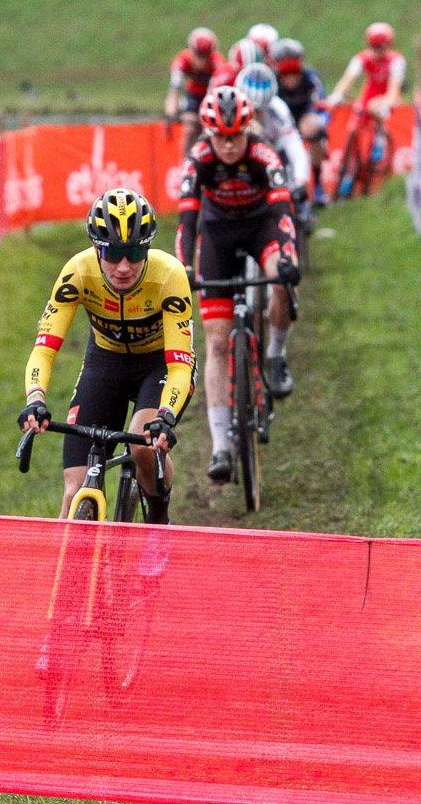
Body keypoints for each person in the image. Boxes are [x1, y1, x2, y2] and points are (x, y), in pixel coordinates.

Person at [20, 187, 194, 525]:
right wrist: (35, 399)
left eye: (133, 252)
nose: (124, 266)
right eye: (113, 254)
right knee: (72, 494)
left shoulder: (170, 276)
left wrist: (166, 416)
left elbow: (179, 366)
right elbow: (44, 349)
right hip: (105, 364)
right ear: (96, 250)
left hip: (158, 365)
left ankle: (159, 521)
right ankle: (67, 576)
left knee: (143, 444)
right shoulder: (78, 272)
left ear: (147, 248)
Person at [175, 86, 300, 484]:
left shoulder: (264, 154)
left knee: (281, 277)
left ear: (248, 130)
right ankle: (220, 445)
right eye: (220, 138)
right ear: (209, 135)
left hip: (261, 225)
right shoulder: (199, 159)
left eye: (236, 137)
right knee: (215, 342)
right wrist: (183, 268)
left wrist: (286, 257)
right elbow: (186, 222)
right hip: (218, 234)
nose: (229, 146)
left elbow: (282, 212)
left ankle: (276, 354)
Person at [234, 62, 310, 199]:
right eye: (251, 109)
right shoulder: (232, 110)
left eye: (259, 110)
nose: (255, 115)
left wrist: (300, 180)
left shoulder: (278, 109)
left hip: (274, 157)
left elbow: (293, 145)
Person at [271, 37, 330, 206]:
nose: (290, 79)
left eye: (293, 72)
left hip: (304, 117)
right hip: (280, 122)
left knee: (314, 130)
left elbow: (322, 104)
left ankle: (318, 186)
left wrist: (322, 125)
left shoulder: (311, 77)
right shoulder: (272, 81)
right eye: (286, 73)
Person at [165, 27, 227, 158]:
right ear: (191, 51)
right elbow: (174, 90)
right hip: (193, 95)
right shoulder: (182, 61)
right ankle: (185, 162)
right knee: (189, 129)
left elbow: (221, 91)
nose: (202, 62)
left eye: (206, 56)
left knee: (212, 130)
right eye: (198, 55)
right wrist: (170, 114)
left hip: (212, 96)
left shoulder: (217, 63)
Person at [325, 22, 406, 118]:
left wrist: (385, 103)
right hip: (369, 96)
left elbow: (393, 90)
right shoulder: (362, 58)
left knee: (384, 115)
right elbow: (348, 78)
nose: (378, 51)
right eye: (375, 46)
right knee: (354, 118)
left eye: (381, 47)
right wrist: (338, 94)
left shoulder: (396, 60)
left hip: (389, 99)